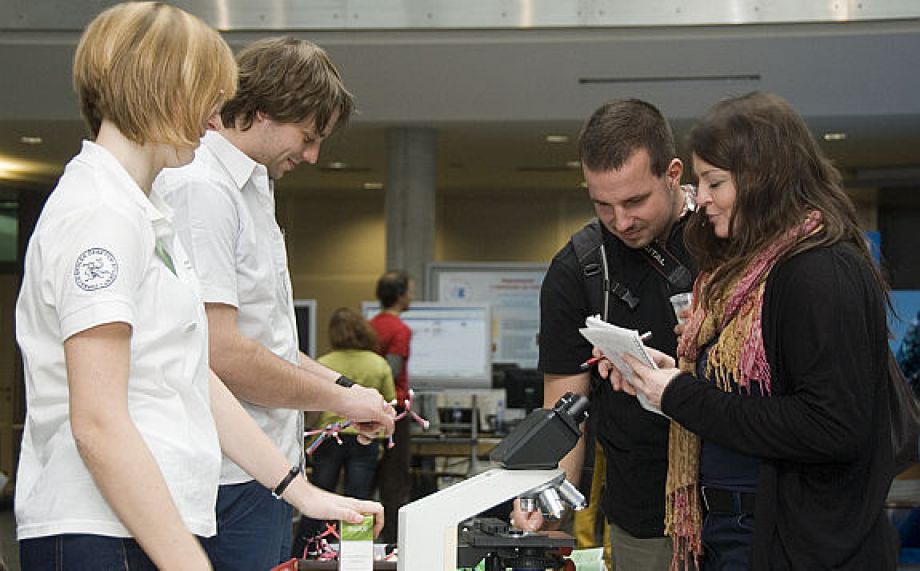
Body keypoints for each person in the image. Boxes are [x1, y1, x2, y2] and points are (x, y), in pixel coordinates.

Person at [14, 4, 383, 570]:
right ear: (162, 91)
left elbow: (191, 372)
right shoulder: (100, 215)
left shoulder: (144, 211)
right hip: (101, 526)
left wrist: (299, 490)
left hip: (143, 518)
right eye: (210, 96)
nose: (216, 118)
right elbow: (99, 423)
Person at [608, 92, 899, 569]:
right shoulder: (756, 272)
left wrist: (681, 394)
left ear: (763, 179)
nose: (699, 199)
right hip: (742, 531)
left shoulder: (818, 271)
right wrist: (666, 380)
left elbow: (830, 426)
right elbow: (755, 398)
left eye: (715, 182)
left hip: (794, 541)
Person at [155, 37, 395, 570]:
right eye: (307, 137)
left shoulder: (251, 188)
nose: (312, 155)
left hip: (262, 471)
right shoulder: (203, 189)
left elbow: (270, 347)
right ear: (264, 111)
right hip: (223, 476)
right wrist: (341, 401)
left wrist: (348, 391)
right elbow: (221, 354)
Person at [513, 99, 696, 570]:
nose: (621, 220)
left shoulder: (723, 240)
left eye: (635, 201)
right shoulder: (579, 268)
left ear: (672, 173)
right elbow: (562, 409)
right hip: (641, 510)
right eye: (602, 204)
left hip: (740, 502)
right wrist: (545, 505)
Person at [294, 307, 396, 556]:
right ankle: (356, 556)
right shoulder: (378, 363)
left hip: (330, 439)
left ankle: (304, 553)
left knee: (318, 495)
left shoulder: (325, 363)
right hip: (366, 438)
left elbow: (314, 408)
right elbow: (390, 402)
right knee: (358, 500)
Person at [369, 270, 414, 545]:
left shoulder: (370, 324)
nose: (412, 295)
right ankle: (394, 540)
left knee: (365, 476)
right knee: (395, 478)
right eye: (410, 290)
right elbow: (393, 369)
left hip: (367, 407)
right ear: (400, 295)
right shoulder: (400, 330)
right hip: (395, 409)